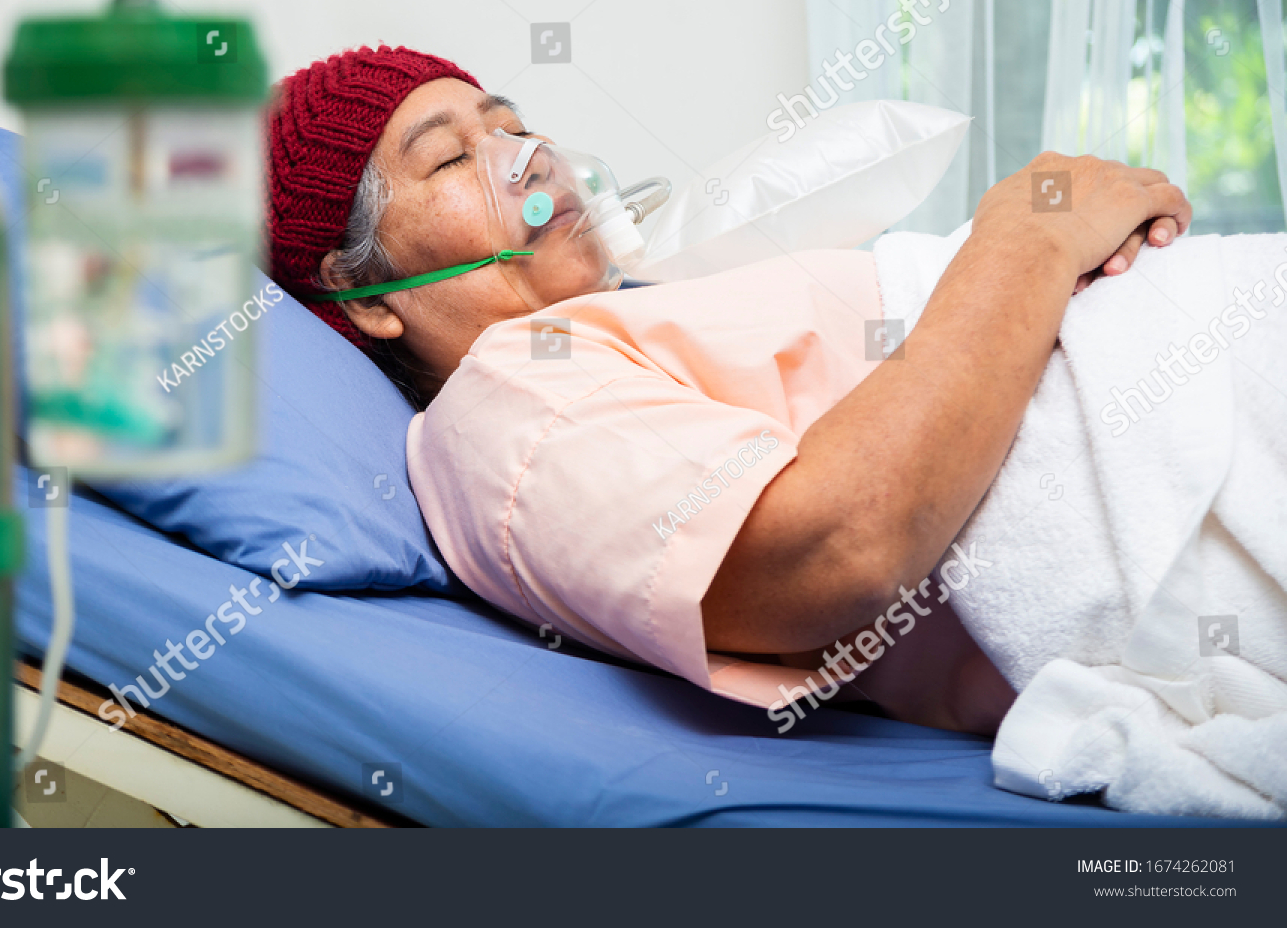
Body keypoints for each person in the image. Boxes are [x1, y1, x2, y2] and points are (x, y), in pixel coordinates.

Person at [265, 45, 1191, 735]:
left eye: (509, 124)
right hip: (1159, 475)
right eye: (453, 159)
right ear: (364, 293)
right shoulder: (502, 406)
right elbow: (841, 545)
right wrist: (1027, 235)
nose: (529, 155)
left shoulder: (621, 319)